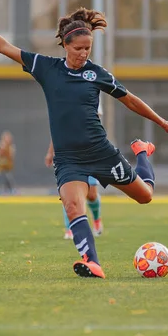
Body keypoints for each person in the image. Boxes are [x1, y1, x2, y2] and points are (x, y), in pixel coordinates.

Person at [0, 5, 168, 279]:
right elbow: (3, 47)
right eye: (78, 48)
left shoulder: (96, 73)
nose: (84, 53)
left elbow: (129, 99)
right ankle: (93, 263)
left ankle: (143, 153)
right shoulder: (45, 67)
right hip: (69, 159)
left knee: (145, 196)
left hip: (100, 152)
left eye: (88, 48)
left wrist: (162, 123)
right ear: (65, 45)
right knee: (73, 206)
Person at [45, 100, 104, 240]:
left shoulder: (89, 91)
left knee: (91, 194)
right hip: (68, 153)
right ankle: (70, 229)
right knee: (69, 190)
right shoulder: (62, 101)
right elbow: (57, 130)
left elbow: (96, 125)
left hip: (89, 153)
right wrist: (50, 152)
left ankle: (97, 221)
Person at [0, 130, 16, 194]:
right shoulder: (1, 145)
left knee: (8, 177)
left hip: (8, 166)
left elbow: (11, 155)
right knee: (5, 178)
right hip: (2, 166)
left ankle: (10, 190)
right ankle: (6, 190)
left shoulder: (10, 146)